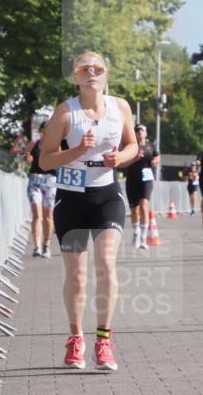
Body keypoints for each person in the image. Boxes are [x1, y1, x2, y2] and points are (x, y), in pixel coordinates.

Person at [37, 52, 137, 372]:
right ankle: (76, 338)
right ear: (76, 77)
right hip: (72, 199)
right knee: (78, 276)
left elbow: (133, 145)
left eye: (97, 69)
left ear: (106, 75)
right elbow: (45, 160)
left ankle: (103, 341)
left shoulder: (120, 107)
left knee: (106, 263)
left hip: (106, 195)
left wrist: (120, 158)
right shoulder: (66, 112)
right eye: (84, 69)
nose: (91, 73)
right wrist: (79, 150)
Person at [123, 124, 160, 249]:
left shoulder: (151, 146)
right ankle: (136, 232)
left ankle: (144, 237)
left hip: (146, 179)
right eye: (137, 130)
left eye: (142, 130)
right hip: (132, 180)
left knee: (144, 205)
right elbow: (123, 163)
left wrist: (155, 160)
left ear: (146, 133)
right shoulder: (130, 147)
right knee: (134, 210)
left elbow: (157, 155)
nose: (139, 132)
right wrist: (135, 158)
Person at [26, 122, 57, 258]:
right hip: (35, 181)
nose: (46, 134)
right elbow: (26, 154)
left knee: (48, 216)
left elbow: (62, 158)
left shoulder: (55, 145)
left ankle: (46, 245)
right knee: (37, 214)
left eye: (49, 132)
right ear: (41, 132)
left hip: (50, 182)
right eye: (44, 132)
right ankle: (37, 246)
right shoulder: (34, 144)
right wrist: (27, 157)